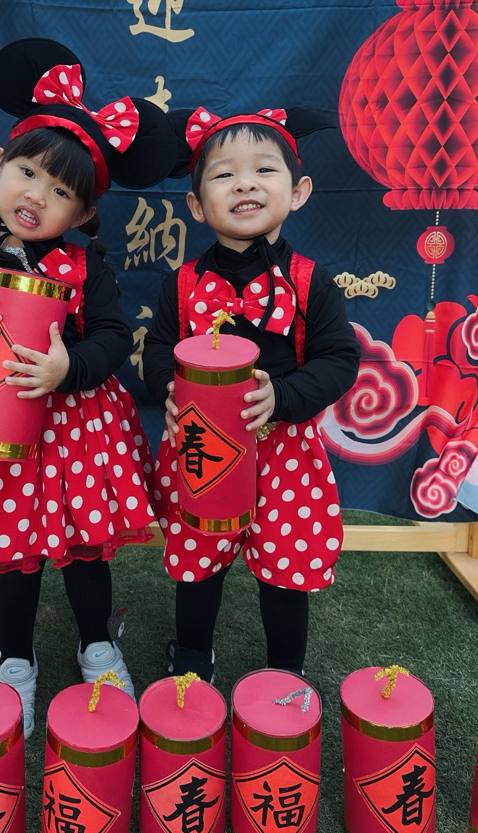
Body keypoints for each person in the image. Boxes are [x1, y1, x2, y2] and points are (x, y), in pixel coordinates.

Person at [0, 38, 184, 738]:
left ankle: (97, 646)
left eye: (62, 191)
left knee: (86, 550)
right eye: (29, 173)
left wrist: (71, 368)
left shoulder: (88, 267)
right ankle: (14, 659)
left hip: (77, 437)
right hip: (1, 439)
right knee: (15, 555)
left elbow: (112, 338)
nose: (38, 196)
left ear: (85, 213)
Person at [143, 105, 360, 682]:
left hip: (286, 451)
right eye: (224, 174)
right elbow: (157, 351)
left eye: (264, 170)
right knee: (198, 559)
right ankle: (194, 654)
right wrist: (168, 388)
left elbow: (339, 361)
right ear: (196, 205)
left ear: (299, 191)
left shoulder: (313, 282)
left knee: (285, 569)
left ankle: (284, 671)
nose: (245, 184)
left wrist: (281, 397)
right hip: (202, 448)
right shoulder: (180, 284)